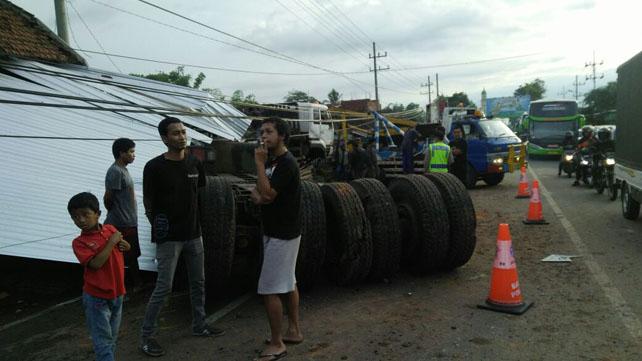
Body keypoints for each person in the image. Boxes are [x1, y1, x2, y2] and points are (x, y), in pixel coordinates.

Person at [140, 117, 224, 357]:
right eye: (175, 133)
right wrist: (158, 230)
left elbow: (198, 196)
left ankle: (200, 325)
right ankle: (146, 337)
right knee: (164, 288)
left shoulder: (194, 163)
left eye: (183, 131)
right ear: (164, 138)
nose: (181, 136)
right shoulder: (154, 167)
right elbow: (148, 203)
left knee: (198, 282)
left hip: (194, 234)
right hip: (169, 239)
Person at [251, 117, 303, 361]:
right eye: (262, 131)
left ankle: (277, 342)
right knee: (289, 281)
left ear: (281, 135)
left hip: (283, 232)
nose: (264, 136)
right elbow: (257, 190)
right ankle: (293, 330)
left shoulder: (286, 163)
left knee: (270, 289)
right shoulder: (272, 161)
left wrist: (259, 165)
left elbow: (268, 193)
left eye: (269, 131)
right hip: (276, 230)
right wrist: (261, 192)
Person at [69, 192, 130, 361]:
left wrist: (124, 244)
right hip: (97, 298)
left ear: (98, 214)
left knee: (111, 338)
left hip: (118, 293)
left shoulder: (110, 229)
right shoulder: (79, 243)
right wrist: (111, 242)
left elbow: (124, 247)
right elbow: (96, 264)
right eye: (75, 217)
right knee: (103, 341)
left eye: (85, 215)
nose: (80, 220)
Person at [104, 138, 142, 290]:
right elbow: (108, 197)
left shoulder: (124, 170)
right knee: (124, 255)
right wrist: (116, 214)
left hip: (128, 220)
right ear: (121, 153)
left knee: (132, 254)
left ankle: (136, 284)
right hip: (120, 222)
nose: (134, 155)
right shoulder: (115, 171)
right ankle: (124, 285)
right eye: (131, 152)